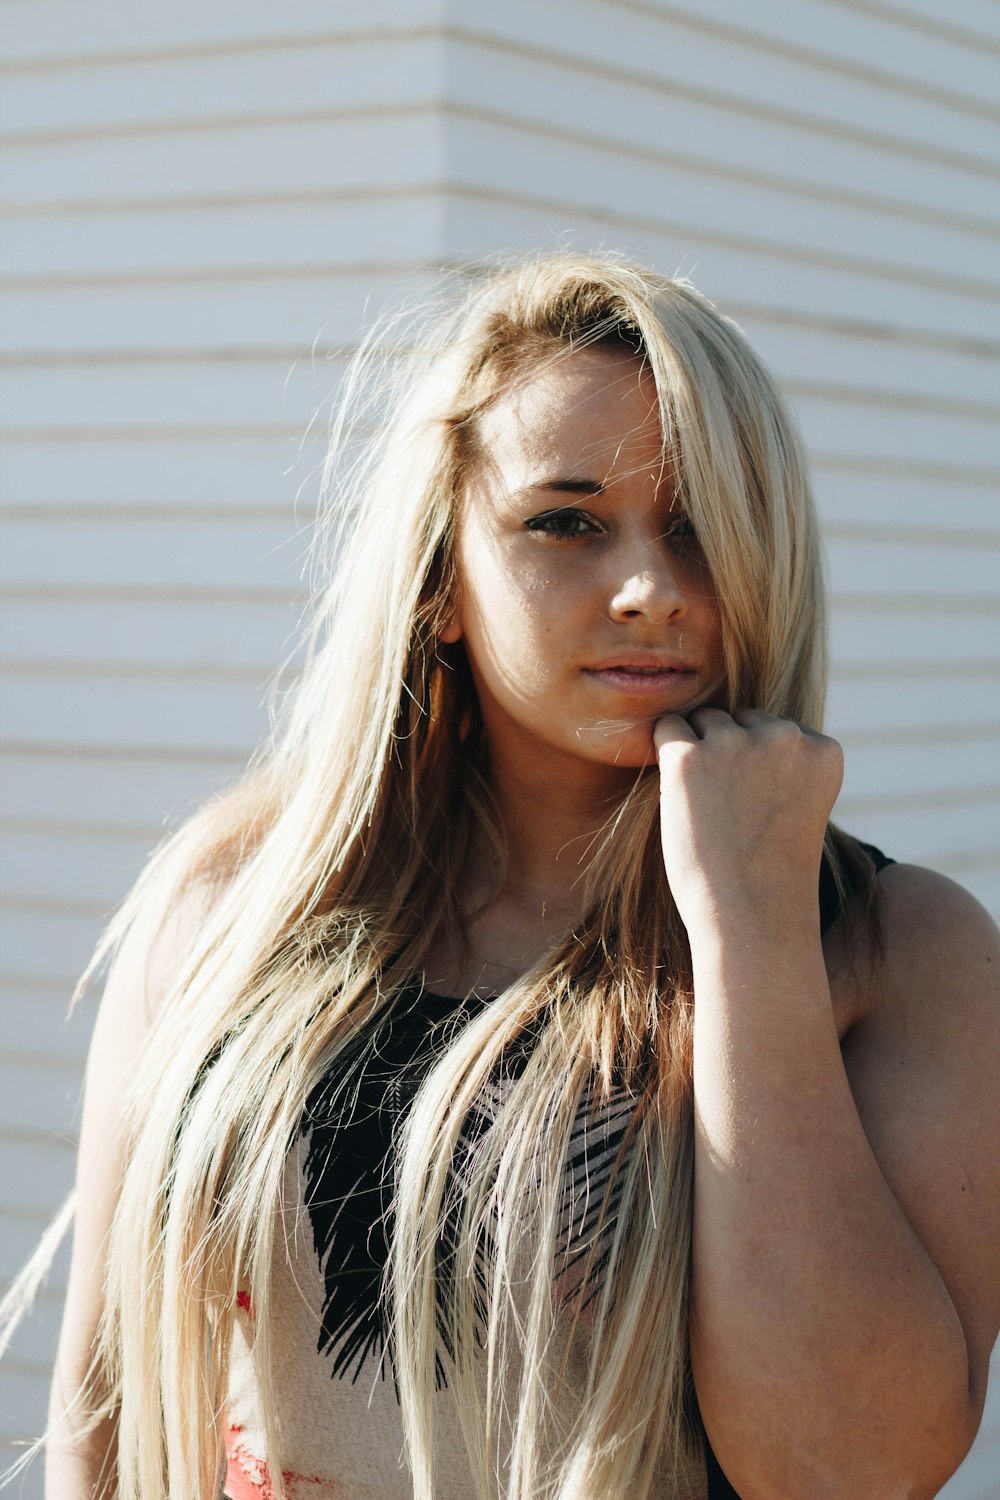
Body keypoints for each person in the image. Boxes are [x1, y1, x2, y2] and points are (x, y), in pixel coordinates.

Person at [20, 253, 999, 1499]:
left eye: (699, 525)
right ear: (441, 582)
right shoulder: (230, 905)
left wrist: (750, 931)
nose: (650, 588)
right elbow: (100, 1418)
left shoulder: (893, 947)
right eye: (566, 522)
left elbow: (846, 1470)